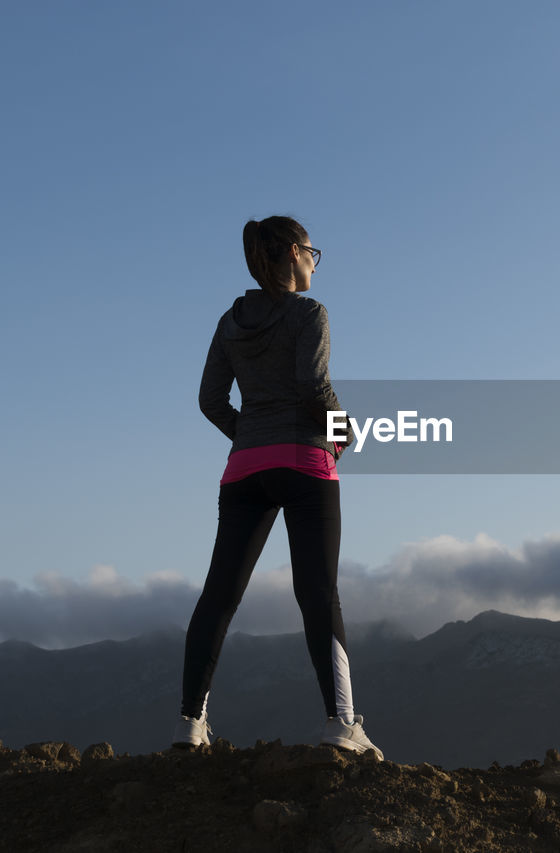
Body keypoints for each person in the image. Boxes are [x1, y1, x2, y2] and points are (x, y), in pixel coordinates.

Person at [174, 214, 381, 759]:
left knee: (219, 595)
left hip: (243, 469)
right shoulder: (310, 313)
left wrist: (248, 435)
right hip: (305, 461)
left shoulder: (229, 320)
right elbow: (315, 384)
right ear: (294, 252)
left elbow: (210, 400)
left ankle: (190, 727)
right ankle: (342, 724)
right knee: (318, 594)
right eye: (313, 251)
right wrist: (343, 434)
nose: (315, 261)